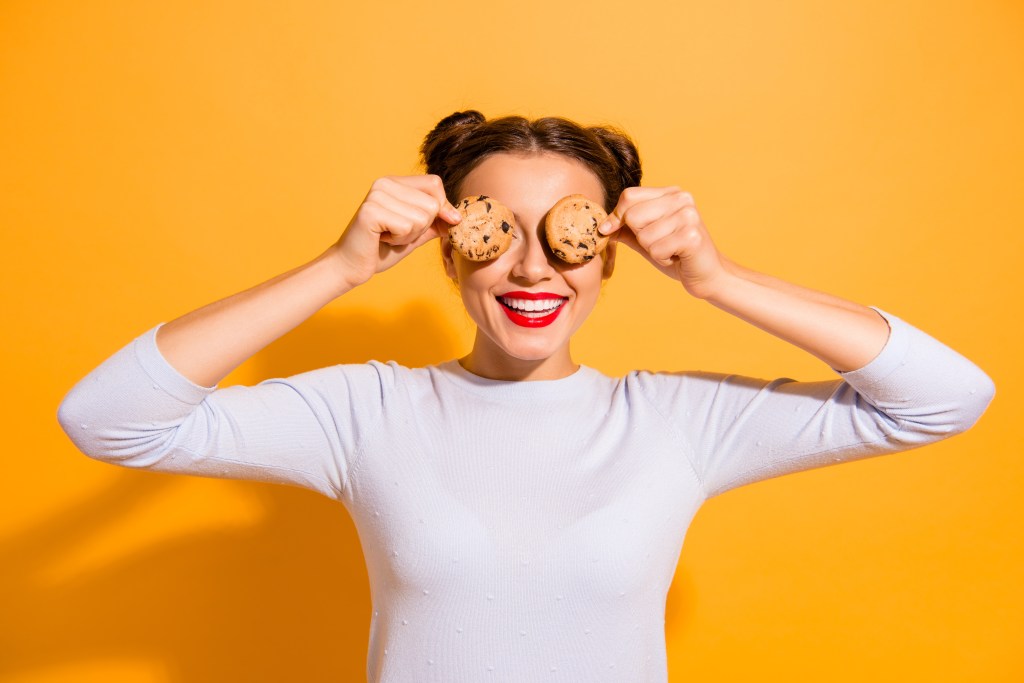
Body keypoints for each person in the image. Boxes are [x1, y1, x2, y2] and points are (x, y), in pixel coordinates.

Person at [57, 110, 995, 682]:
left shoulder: (673, 422)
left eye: (565, 232)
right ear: (446, 239)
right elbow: (106, 419)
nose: (532, 264)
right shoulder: (365, 412)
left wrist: (717, 278)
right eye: (497, 229)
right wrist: (339, 267)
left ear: (611, 251)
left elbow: (943, 398)